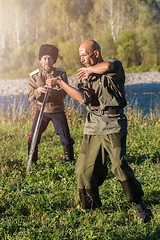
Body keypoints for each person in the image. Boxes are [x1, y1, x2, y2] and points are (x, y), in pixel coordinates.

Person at [46, 40, 150, 223]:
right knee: (82, 170)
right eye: (80, 55)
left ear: (95, 53)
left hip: (114, 124)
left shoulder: (114, 65)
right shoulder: (85, 76)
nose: (82, 59)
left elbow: (108, 66)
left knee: (119, 167)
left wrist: (90, 70)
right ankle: (90, 207)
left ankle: (138, 203)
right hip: (93, 125)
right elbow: (83, 98)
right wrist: (61, 83)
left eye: (84, 54)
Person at [28, 44, 74, 165]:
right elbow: (30, 95)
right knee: (34, 138)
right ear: (40, 60)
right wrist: (38, 91)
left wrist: (53, 91)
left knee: (66, 138)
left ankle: (70, 163)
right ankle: (32, 162)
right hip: (40, 110)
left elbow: (65, 93)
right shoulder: (34, 76)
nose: (47, 61)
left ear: (53, 60)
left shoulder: (61, 74)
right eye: (44, 58)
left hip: (57, 110)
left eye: (49, 58)